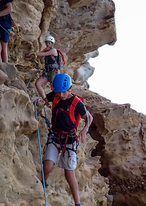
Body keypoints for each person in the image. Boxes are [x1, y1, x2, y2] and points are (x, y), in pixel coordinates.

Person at [36, 73, 93, 206]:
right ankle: (44, 183)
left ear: (69, 89)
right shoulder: (55, 95)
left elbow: (89, 117)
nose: (60, 95)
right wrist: (41, 101)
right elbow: (46, 100)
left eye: (63, 92)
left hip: (70, 140)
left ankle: (77, 203)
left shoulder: (76, 103)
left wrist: (84, 130)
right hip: (55, 136)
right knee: (48, 165)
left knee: (69, 173)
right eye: (58, 92)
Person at [26, 35, 60, 100]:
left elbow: (42, 55)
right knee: (38, 84)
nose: (47, 44)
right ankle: (45, 99)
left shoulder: (53, 50)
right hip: (47, 72)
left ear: (52, 43)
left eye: (49, 43)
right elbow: (39, 57)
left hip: (53, 72)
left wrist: (32, 53)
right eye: (47, 42)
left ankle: (56, 102)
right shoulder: (47, 50)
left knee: (54, 88)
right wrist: (44, 50)